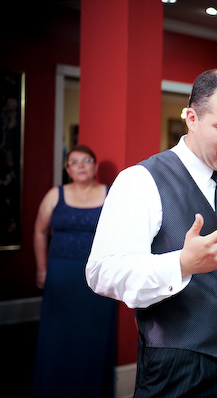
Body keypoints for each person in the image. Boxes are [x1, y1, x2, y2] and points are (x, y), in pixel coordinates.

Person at [85, 69, 217, 398]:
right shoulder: (140, 181)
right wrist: (181, 264)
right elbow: (101, 272)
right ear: (191, 118)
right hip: (177, 365)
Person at [32, 145, 116, 398]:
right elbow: (39, 231)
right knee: (58, 337)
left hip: (99, 278)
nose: (80, 165)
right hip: (61, 276)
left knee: (94, 338)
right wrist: (41, 270)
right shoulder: (54, 195)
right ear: (68, 169)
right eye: (74, 162)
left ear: (94, 165)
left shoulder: (111, 194)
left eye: (86, 160)